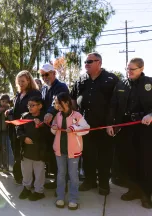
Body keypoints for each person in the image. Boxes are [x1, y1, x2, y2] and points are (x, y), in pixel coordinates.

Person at [70, 52, 119, 195]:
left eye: (90, 61)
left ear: (99, 63)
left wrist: (112, 123)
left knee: (104, 156)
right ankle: (89, 180)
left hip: (105, 126)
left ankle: (103, 183)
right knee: (88, 155)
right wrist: (75, 116)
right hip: (85, 126)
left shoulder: (111, 79)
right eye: (85, 61)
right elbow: (73, 97)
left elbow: (116, 103)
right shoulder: (81, 79)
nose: (86, 64)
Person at [107, 57, 152, 209]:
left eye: (132, 69)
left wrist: (151, 115)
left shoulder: (149, 84)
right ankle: (134, 190)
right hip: (126, 128)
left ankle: (146, 194)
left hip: (145, 129)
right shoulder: (121, 84)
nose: (129, 72)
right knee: (129, 161)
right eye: (127, 69)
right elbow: (113, 106)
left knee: (145, 162)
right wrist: (110, 124)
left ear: (141, 69)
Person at [51, 92, 90, 210]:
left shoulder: (77, 115)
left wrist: (74, 128)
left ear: (66, 102)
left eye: (58, 102)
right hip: (59, 150)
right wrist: (53, 128)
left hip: (73, 151)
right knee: (61, 174)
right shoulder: (57, 115)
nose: (56, 105)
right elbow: (53, 130)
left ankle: (73, 199)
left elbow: (86, 129)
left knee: (73, 175)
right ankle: (60, 197)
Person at [5, 70, 41, 184]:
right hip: (16, 128)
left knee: (28, 155)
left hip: (28, 129)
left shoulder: (35, 93)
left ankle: (31, 180)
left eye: (23, 81)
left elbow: (36, 109)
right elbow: (18, 108)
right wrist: (10, 111)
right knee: (17, 153)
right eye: (19, 81)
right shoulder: (18, 94)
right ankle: (19, 177)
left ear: (29, 80)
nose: (21, 83)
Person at [39, 63, 69, 189]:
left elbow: (56, 102)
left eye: (47, 74)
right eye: (42, 75)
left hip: (61, 127)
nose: (44, 77)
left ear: (54, 73)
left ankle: (63, 185)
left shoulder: (61, 86)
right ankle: (57, 182)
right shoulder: (44, 89)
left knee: (61, 156)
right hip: (49, 128)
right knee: (52, 156)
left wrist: (50, 112)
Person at [16, 96, 49, 201]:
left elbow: (48, 134)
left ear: (40, 106)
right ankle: (26, 188)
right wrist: (23, 137)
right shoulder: (25, 116)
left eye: (33, 105)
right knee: (26, 171)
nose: (30, 107)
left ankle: (39, 191)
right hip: (26, 150)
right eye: (28, 105)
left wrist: (40, 126)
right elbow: (18, 129)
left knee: (39, 172)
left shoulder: (45, 118)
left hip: (39, 151)